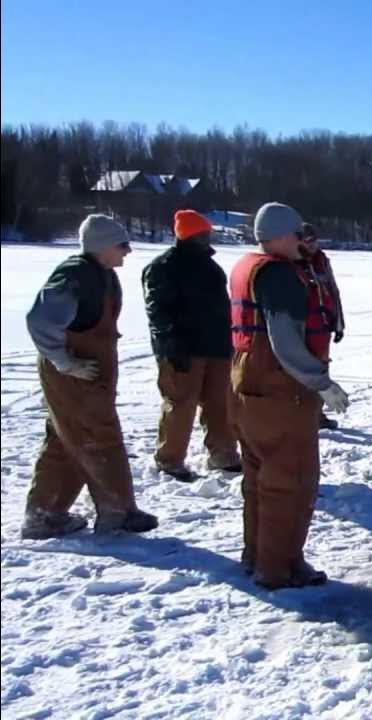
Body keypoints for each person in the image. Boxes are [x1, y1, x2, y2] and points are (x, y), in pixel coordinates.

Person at [228, 202, 349, 589]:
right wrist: (321, 383)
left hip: (247, 381)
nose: (304, 241)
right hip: (282, 388)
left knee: (259, 476)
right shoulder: (279, 276)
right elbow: (285, 341)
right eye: (297, 234)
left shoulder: (248, 266)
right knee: (291, 478)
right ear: (279, 236)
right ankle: (278, 568)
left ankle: (258, 555)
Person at [22, 214, 159, 538]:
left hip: (87, 376)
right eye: (122, 244)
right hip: (74, 376)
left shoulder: (99, 274)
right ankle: (117, 513)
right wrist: (66, 363)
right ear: (102, 246)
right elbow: (39, 321)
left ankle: (46, 515)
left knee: (66, 440)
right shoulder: (75, 277)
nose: (127, 251)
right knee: (100, 436)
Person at [141, 209, 240, 481]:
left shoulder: (211, 268)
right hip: (182, 350)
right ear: (190, 235)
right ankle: (169, 460)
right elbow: (157, 312)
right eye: (203, 233)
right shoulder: (163, 267)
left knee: (221, 404)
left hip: (217, 347)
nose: (208, 237)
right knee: (180, 405)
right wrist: (170, 347)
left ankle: (224, 454)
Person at [297, 223, 345, 430]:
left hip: (322, 327)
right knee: (301, 371)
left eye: (314, 240)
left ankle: (317, 414)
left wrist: (339, 323)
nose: (312, 245)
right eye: (308, 241)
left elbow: (333, 292)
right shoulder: (292, 262)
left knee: (321, 370)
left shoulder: (322, 261)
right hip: (302, 327)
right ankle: (301, 415)